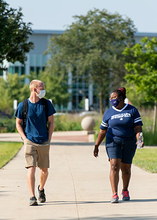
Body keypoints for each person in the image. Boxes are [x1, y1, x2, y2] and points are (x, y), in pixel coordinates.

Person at [93, 87, 144, 203]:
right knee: (114, 165)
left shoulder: (132, 110)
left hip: (129, 142)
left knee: (126, 169)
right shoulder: (109, 112)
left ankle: (125, 190)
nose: (112, 100)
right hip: (113, 141)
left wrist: (139, 139)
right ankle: (114, 194)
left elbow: (138, 128)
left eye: (114, 98)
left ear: (121, 98)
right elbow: (102, 130)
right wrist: (96, 145)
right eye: (110, 98)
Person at [15, 80, 56, 206]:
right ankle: (32, 196)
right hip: (30, 142)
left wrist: (49, 139)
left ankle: (41, 189)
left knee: (44, 170)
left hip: (43, 141)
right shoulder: (23, 105)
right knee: (31, 168)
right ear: (34, 89)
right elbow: (18, 123)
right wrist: (24, 138)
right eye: (41, 88)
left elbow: (51, 122)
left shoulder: (46, 104)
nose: (43, 90)